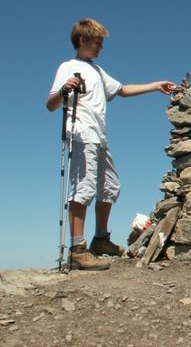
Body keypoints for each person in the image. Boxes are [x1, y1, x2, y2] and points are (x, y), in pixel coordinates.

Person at [47, 18, 175, 270]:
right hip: (81, 134)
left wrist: (155, 85)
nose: (100, 48)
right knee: (83, 188)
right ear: (82, 40)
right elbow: (50, 104)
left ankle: (100, 240)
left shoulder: (96, 70)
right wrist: (64, 90)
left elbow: (123, 90)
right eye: (97, 43)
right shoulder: (68, 67)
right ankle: (77, 249)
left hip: (99, 136)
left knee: (110, 186)